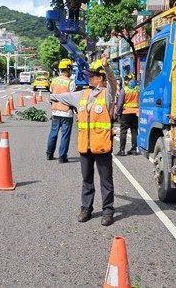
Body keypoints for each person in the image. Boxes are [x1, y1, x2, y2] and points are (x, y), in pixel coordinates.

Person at [49, 55, 118, 226]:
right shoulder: (82, 94)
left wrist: (106, 67)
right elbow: (64, 96)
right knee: (86, 180)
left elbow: (113, 82)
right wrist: (53, 97)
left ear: (101, 78)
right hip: (84, 146)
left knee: (106, 180)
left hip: (101, 145)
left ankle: (108, 210)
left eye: (93, 75)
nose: (89, 77)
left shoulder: (107, 94)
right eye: (89, 75)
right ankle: (86, 208)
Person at [46, 58, 76, 163]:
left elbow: (51, 95)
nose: (72, 71)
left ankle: (49, 154)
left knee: (53, 133)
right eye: (71, 69)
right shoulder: (70, 82)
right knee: (65, 135)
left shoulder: (54, 81)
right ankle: (62, 157)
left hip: (55, 111)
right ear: (68, 69)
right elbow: (73, 98)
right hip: (66, 112)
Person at [116, 74, 139, 156]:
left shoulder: (124, 90)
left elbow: (120, 103)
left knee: (123, 132)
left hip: (126, 113)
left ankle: (122, 150)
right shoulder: (138, 89)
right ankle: (134, 149)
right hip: (136, 113)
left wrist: (118, 113)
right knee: (134, 131)